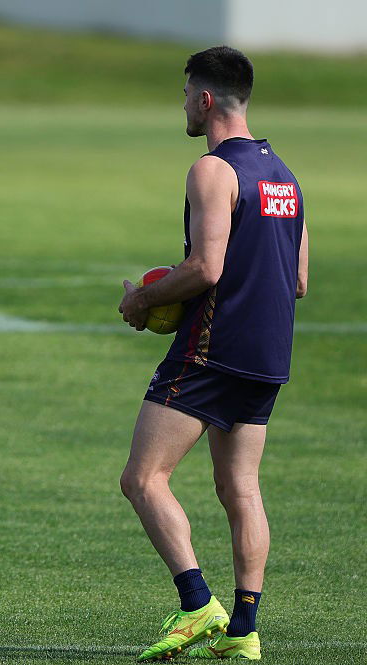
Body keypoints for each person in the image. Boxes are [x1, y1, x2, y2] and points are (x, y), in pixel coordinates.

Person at [118, 46, 308, 661]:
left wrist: (145, 300)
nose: (183, 106)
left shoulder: (212, 170)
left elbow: (206, 267)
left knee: (143, 479)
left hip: (210, 349)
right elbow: (298, 279)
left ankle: (198, 605)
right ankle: (245, 632)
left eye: (184, 96)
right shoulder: (284, 176)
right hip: (268, 355)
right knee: (242, 490)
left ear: (204, 99)